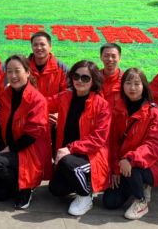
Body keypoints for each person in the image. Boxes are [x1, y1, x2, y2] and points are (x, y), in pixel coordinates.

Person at [103, 68, 158, 220]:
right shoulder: (118, 111)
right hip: (124, 164)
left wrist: (130, 159)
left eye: (137, 84)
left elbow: (154, 145)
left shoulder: (153, 113)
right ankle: (137, 184)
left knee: (134, 169)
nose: (132, 88)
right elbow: (113, 142)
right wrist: (115, 169)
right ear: (122, 86)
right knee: (110, 202)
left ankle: (141, 200)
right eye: (128, 83)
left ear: (144, 86)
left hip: (151, 163)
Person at [0, 54, 52, 210]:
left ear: (28, 72)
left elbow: (31, 136)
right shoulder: (7, 95)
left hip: (29, 152)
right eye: (9, 71)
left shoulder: (36, 99)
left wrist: (7, 150)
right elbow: (2, 125)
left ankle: (26, 187)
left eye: (17, 71)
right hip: (13, 151)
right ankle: (19, 181)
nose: (13, 75)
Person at [47, 60, 110, 217]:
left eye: (85, 78)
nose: (80, 81)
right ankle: (83, 179)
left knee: (69, 163)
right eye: (76, 76)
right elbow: (41, 103)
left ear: (94, 81)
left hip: (92, 155)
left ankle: (85, 194)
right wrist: (20, 88)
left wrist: (70, 148)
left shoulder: (101, 105)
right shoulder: (65, 97)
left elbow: (98, 138)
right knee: (56, 189)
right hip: (69, 155)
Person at [28, 32, 69, 149]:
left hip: (54, 115)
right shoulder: (24, 66)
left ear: (50, 46)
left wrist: (59, 114)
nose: (39, 48)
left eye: (42, 44)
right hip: (30, 113)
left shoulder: (61, 67)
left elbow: (68, 93)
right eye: (35, 45)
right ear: (31, 47)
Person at [99, 43, 122, 110]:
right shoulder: (94, 78)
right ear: (101, 57)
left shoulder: (126, 79)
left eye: (113, 56)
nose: (110, 59)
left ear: (119, 58)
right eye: (106, 56)